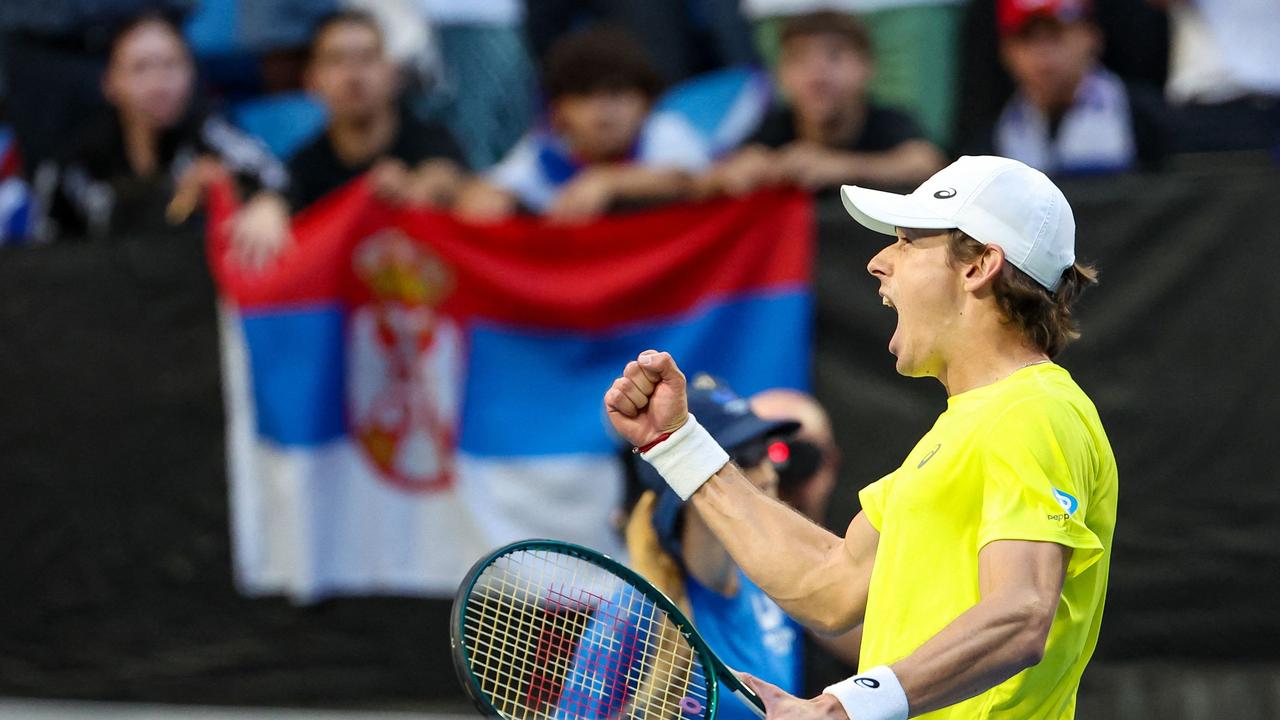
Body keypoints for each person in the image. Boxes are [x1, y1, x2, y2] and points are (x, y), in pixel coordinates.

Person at [605, 155, 1117, 719]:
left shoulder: (1033, 410)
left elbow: (1021, 613)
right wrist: (677, 445)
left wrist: (837, 709)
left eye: (906, 241)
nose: (877, 263)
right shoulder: (970, 427)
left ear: (980, 266)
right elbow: (829, 583)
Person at [561, 374, 805, 720]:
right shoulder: (634, 615)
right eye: (745, 455)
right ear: (691, 484)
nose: (769, 473)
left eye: (767, 451)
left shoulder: (774, 585)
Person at [230, 10, 468, 268]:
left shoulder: (432, 139)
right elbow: (281, 196)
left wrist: (416, 189)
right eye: (336, 60)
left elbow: (447, 177)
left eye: (367, 58)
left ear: (392, 73)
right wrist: (268, 208)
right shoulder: (305, 164)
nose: (353, 75)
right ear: (311, 80)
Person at [33, 12, 286, 242]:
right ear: (109, 82)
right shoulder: (76, 159)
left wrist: (267, 202)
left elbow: (276, 180)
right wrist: (172, 195)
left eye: (171, 65)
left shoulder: (211, 132)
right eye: (140, 68)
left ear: (191, 73)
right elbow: (46, 249)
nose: (158, 85)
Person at [453, 25, 711, 223]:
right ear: (557, 113)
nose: (603, 111)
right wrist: (491, 201)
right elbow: (482, 194)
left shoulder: (664, 131)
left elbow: (699, 182)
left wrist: (608, 182)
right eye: (584, 96)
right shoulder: (544, 151)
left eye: (617, 93)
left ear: (646, 103)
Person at [702, 12, 944, 197]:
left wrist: (841, 167)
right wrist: (737, 173)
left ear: (868, 67)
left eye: (834, 56)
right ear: (781, 74)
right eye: (799, 59)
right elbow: (713, 176)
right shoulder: (775, 124)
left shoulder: (889, 119)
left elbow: (927, 165)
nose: (817, 75)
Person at [973, 0, 1168, 175]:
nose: (1042, 55)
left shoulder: (1145, 119)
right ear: (1006, 52)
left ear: (1091, 37)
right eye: (1027, 38)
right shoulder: (991, 142)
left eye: (1055, 35)